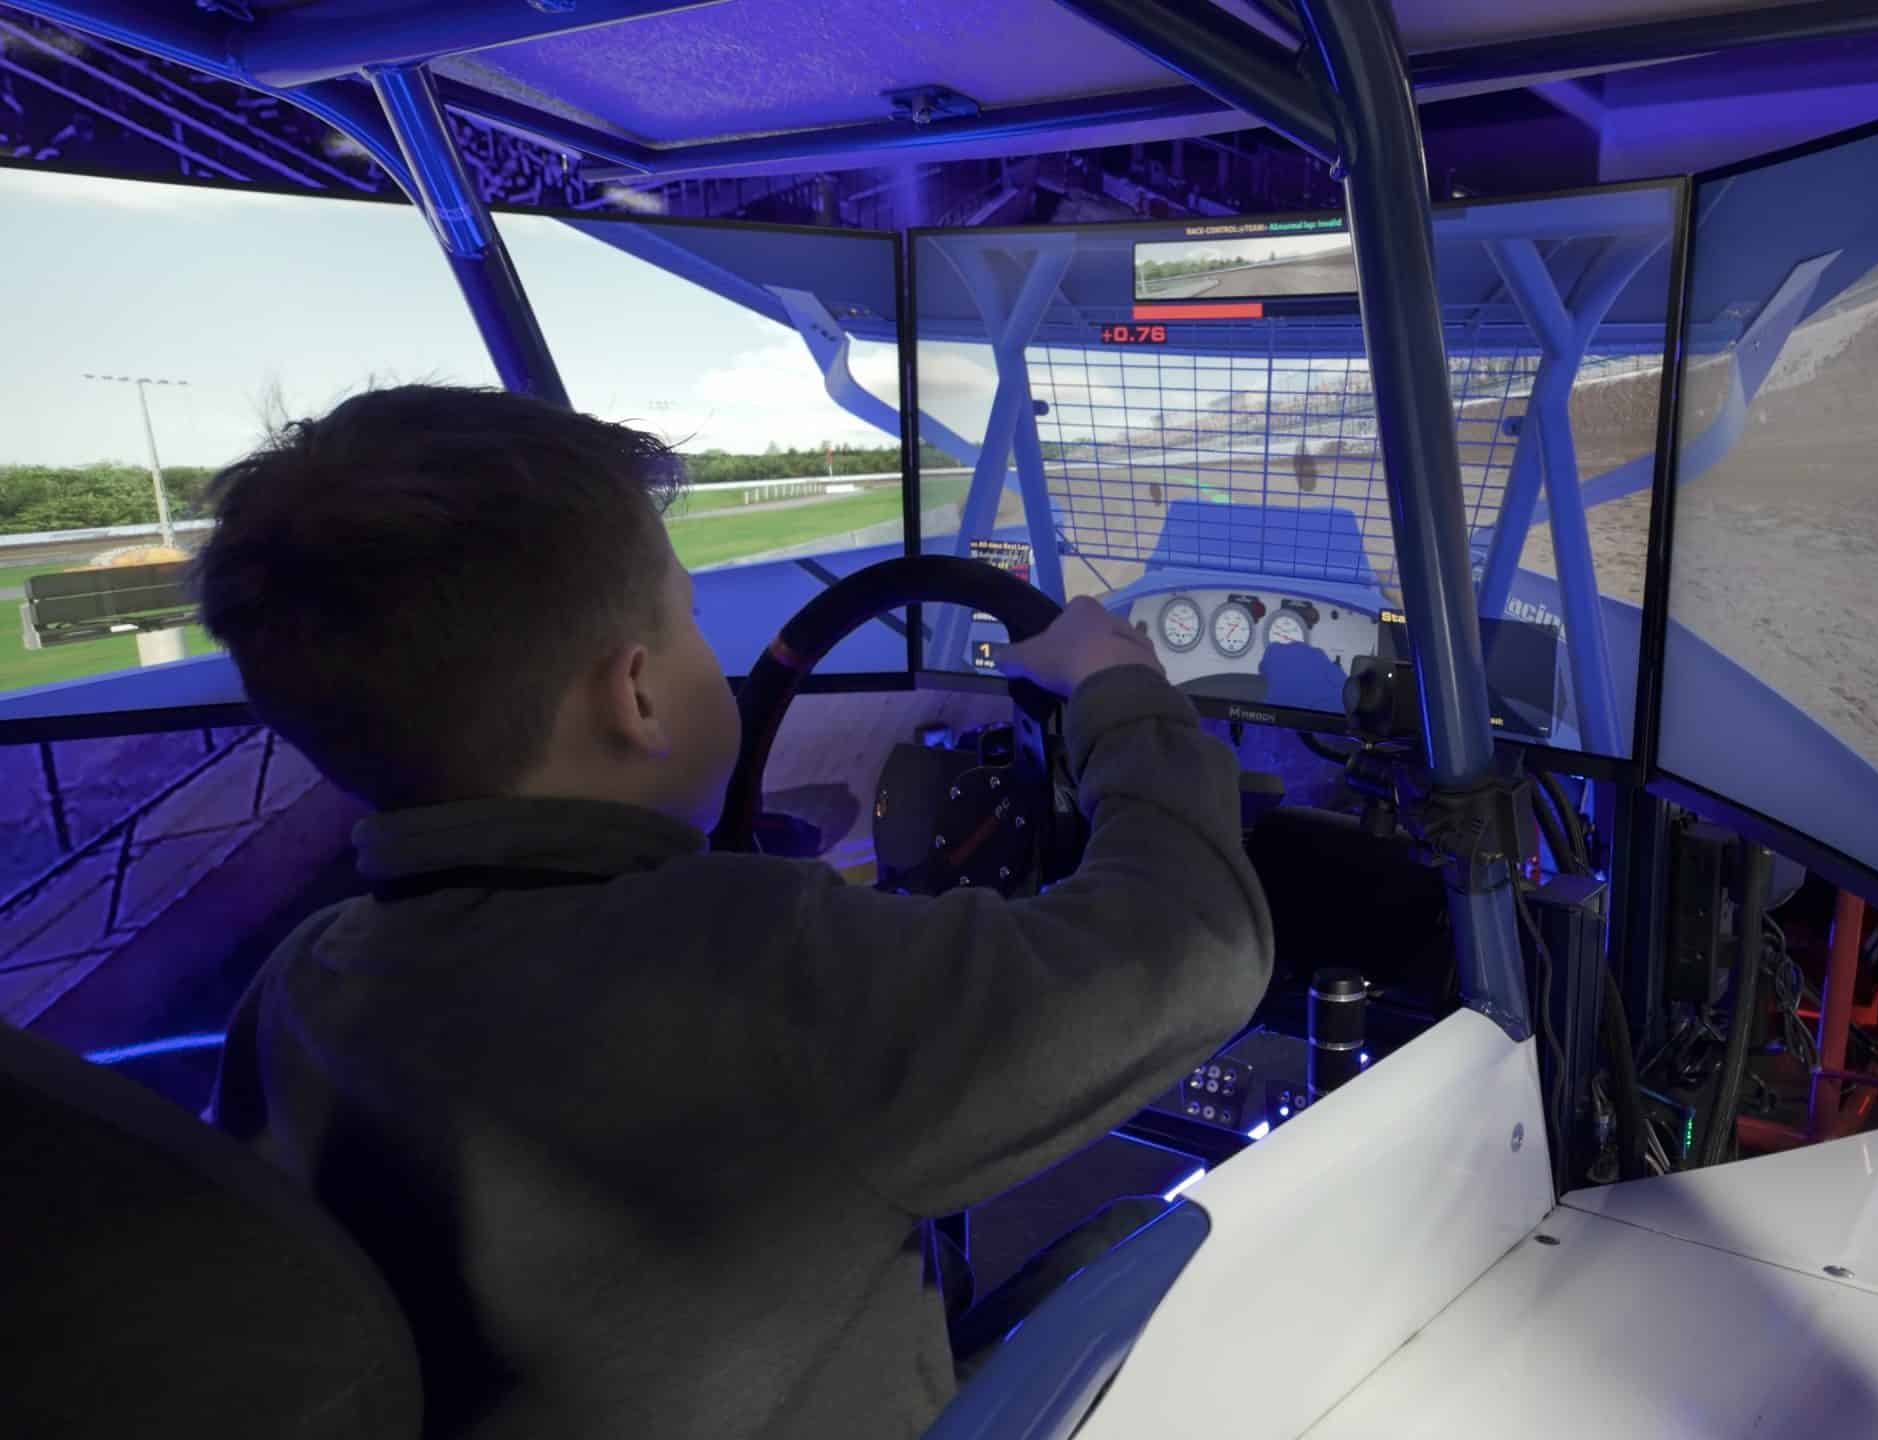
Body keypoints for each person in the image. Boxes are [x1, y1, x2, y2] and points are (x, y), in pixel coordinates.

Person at [196, 385, 1274, 1439]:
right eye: (690, 626)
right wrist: (1118, 690)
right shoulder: (766, 966)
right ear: (636, 697)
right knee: (1148, 1231)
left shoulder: (298, 985)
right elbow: (1194, 943)